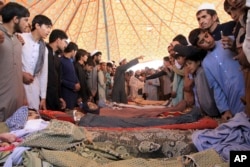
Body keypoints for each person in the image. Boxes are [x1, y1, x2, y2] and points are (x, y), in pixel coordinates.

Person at [189, 28, 245, 121]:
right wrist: (224, 109)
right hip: (233, 99)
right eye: (202, 41)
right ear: (198, 47)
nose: (207, 40)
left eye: (206, 36)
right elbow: (216, 87)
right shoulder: (206, 63)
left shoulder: (228, 41)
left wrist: (234, 46)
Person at [0, 2, 30, 122]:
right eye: (26, 20)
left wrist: (23, 95)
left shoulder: (18, 41)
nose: (27, 24)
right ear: (16, 19)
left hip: (16, 106)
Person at [21, 15, 52, 111]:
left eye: (50, 28)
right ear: (37, 25)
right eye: (47, 27)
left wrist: (43, 97)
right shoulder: (21, 38)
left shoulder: (45, 49)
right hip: (18, 85)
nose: (49, 31)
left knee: (33, 117)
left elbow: (44, 73)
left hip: (35, 87)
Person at [46, 29, 68, 111]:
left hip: (54, 97)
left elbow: (58, 79)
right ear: (58, 40)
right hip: (45, 98)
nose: (66, 45)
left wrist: (59, 97)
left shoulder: (56, 57)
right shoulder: (44, 51)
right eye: (65, 41)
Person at [60, 42, 80, 109]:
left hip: (73, 93)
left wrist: (77, 83)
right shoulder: (61, 61)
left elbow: (73, 74)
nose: (75, 54)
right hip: (66, 94)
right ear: (72, 51)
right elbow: (60, 79)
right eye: (75, 52)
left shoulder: (70, 61)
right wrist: (72, 85)